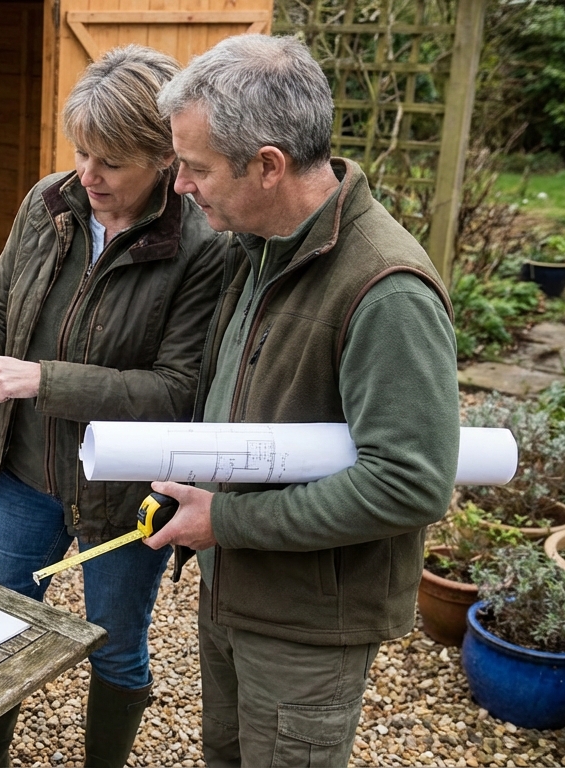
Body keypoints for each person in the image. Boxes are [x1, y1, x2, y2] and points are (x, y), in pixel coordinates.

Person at [145, 34, 461, 767]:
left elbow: (410, 483)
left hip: (305, 626)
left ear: (268, 166)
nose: (183, 187)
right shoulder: (260, 245)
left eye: (195, 168)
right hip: (239, 587)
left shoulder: (388, 292)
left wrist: (227, 518)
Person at [0, 45, 227, 768]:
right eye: (80, 152)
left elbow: (176, 392)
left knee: (118, 646)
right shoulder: (49, 203)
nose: (87, 175)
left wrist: (44, 378)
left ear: (163, 158)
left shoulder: (200, 245)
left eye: (110, 162)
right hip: (27, 473)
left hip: (125, 492)